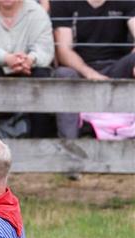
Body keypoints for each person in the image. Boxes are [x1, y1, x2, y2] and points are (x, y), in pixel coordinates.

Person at [51, 0, 135, 139]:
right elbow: (63, 51)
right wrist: (91, 74)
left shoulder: (126, 1)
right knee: (63, 74)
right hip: (79, 69)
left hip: (117, 67)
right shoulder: (63, 2)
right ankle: (70, 145)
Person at [0, 0, 54, 137]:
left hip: (28, 71)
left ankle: (41, 143)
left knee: (42, 73)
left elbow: (45, 50)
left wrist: (30, 60)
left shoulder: (36, 12)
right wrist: (6, 58)